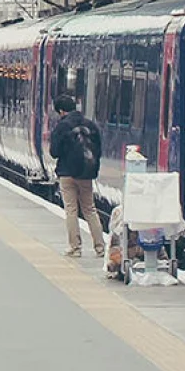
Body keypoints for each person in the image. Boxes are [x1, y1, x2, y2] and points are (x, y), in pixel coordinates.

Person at [49, 94, 106, 258]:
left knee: (71, 210)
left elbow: (54, 152)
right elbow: (99, 151)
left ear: (61, 111)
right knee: (90, 209)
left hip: (66, 174)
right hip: (86, 174)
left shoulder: (62, 127)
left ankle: (75, 248)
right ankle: (100, 247)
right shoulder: (91, 125)